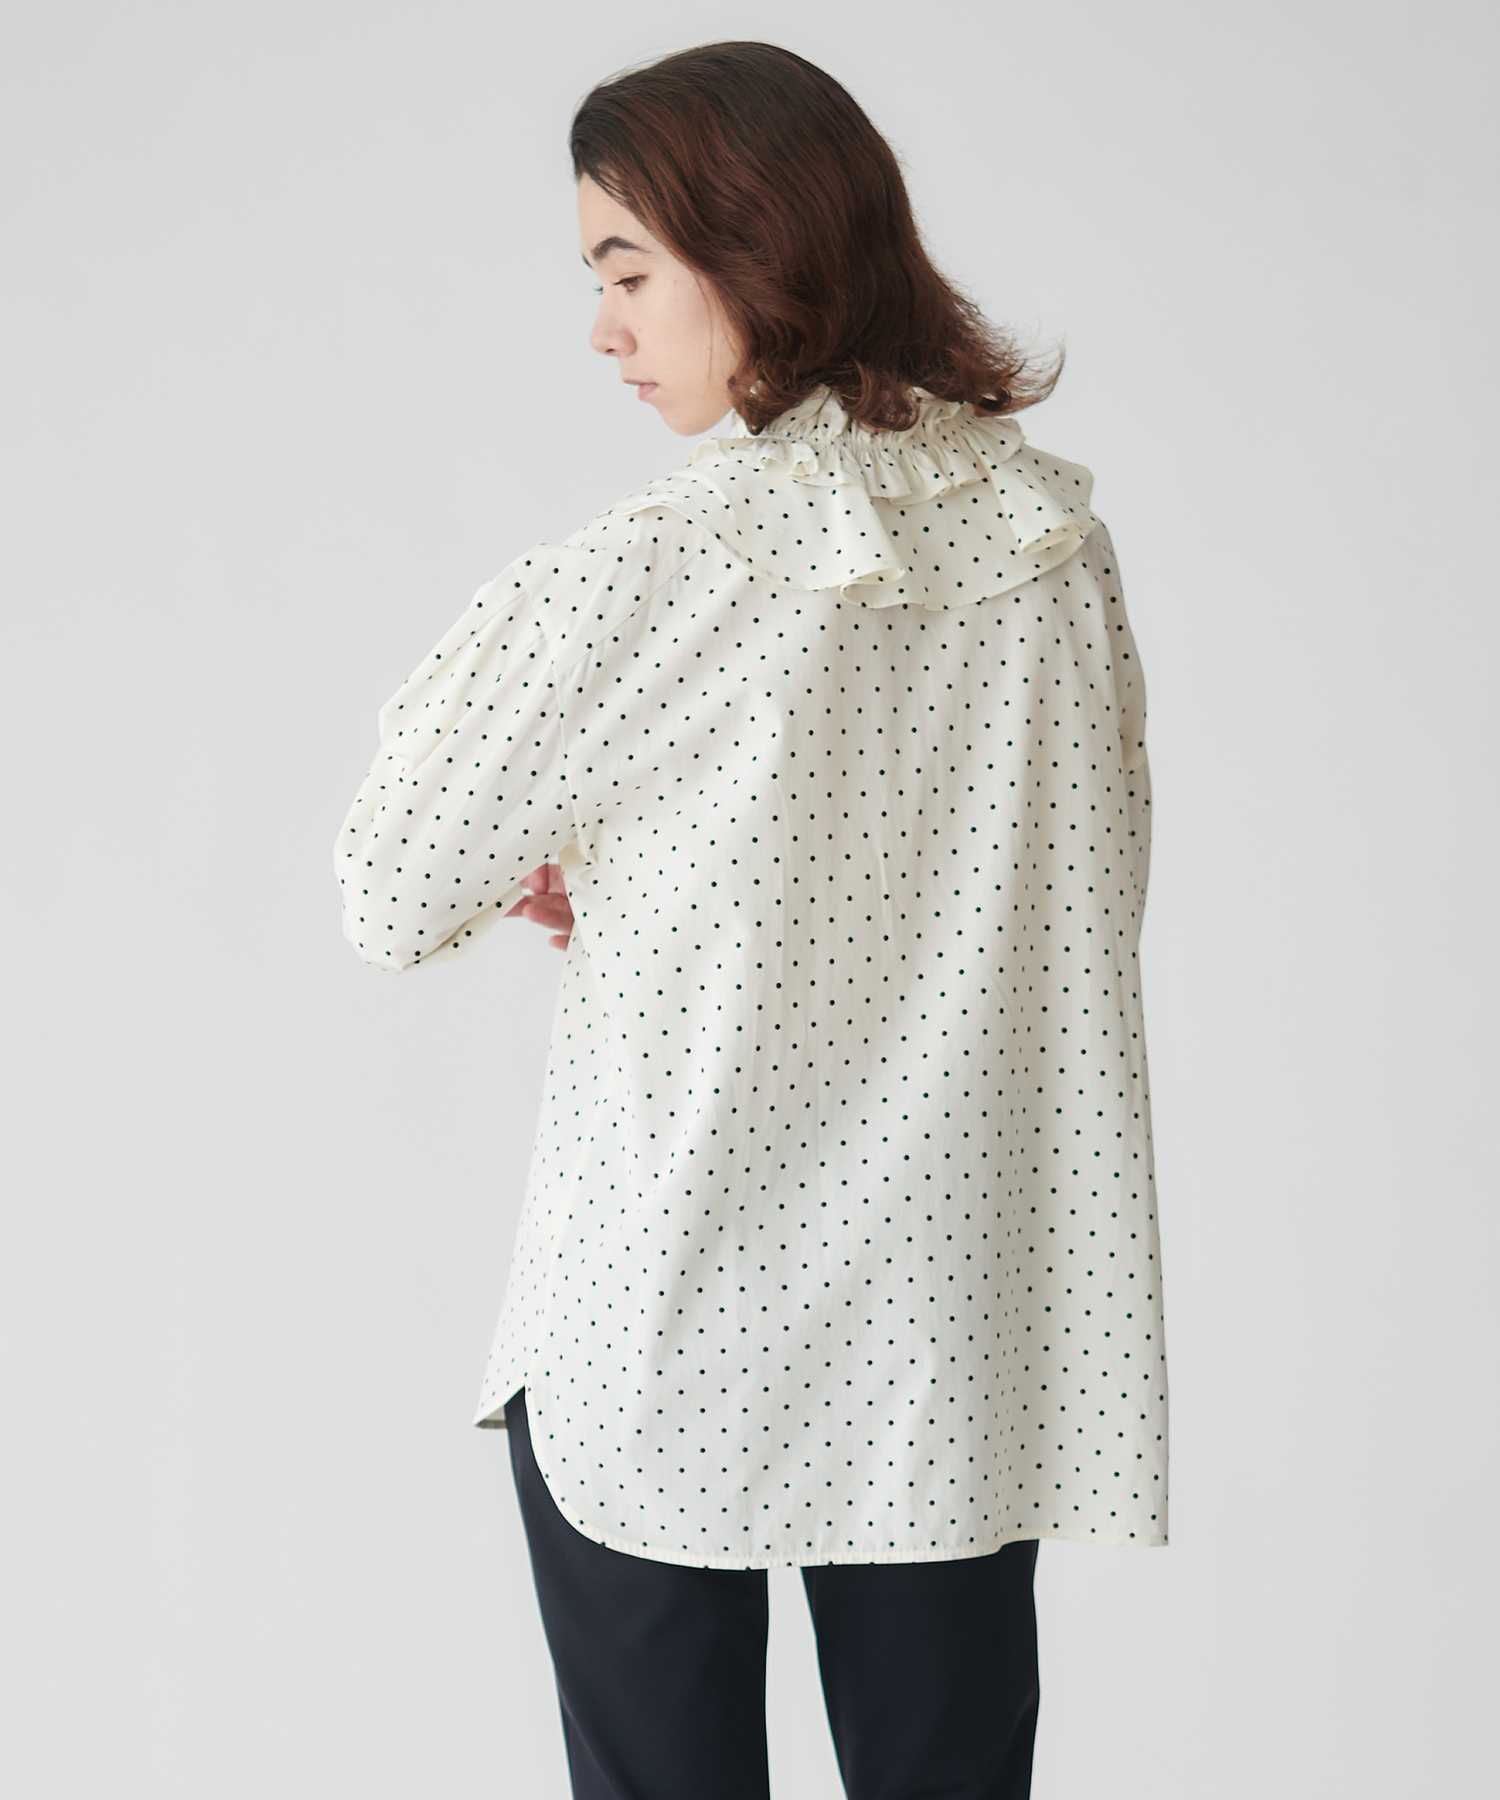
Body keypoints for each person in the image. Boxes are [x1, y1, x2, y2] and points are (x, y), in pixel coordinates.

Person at [336, 40, 1168, 1800]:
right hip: (947, 1319)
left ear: (755, 245)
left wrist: (588, 862)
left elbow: (390, 890)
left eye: (627, 271)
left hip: (662, 1304)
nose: (604, 329)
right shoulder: (1055, 548)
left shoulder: (662, 560)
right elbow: (1089, 899)